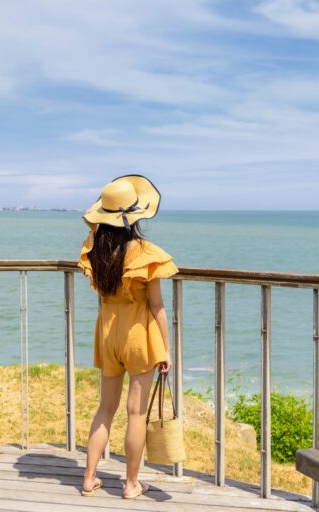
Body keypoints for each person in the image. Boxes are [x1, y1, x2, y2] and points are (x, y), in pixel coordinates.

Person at [77, 175, 178, 500]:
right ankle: (131, 484)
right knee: (136, 413)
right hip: (139, 336)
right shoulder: (145, 253)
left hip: (108, 333)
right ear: (134, 216)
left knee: (105, 408)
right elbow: (157, 306)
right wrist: (165, 349)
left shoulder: (95, 251)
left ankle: (89, 478)